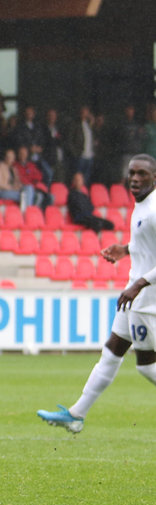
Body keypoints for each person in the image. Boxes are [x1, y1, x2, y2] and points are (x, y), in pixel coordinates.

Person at [37, 154, 156, 432]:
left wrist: (138, 284)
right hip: (134, 296)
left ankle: (77, 414)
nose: (135, 179)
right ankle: (77, 414)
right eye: (132, 173)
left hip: (144, 300)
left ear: (155, 177)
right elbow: (148, 246)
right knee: (111, 353)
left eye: (142, 174)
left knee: (147, 367)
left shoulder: (153, 210)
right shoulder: (142, 206)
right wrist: (126, 249)